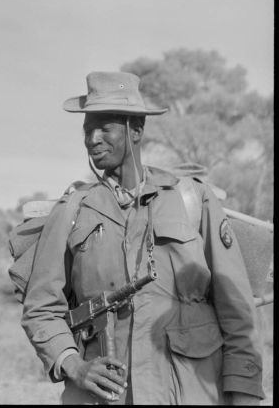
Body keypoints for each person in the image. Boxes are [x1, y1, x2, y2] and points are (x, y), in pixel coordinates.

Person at [20, 71, 264, 405]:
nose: (93, 138)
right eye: (88, 128)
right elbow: (40, 308)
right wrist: (74, 365)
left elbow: (237, 308)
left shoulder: (192, 199)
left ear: (136, 130)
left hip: (191, 392)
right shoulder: (73, 209)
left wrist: (245, 393)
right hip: (105, 396)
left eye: (105, 127)